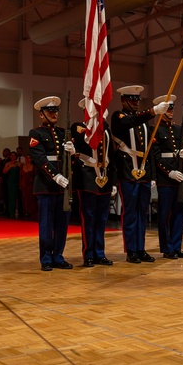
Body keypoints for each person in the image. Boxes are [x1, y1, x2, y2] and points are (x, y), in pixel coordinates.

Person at [111, 85, 169, 263]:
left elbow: (149, 150)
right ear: (123, 100)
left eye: (137, 100)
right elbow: (129, 122)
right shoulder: (118, 117)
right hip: (128, 171)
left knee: (142, 213)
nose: (135, 104)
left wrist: (151, 175)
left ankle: (141, 248)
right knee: (130, 213)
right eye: (132, 100)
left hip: (143, 173)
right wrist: (152, 111)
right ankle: (131, 250)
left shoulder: (143, 122)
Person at [29, 96, 73, 271]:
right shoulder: (36, 134)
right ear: (41, 114)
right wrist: (55, 176)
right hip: (46, 186)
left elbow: (70, 161)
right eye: (49, 111)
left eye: (55, 111)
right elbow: (39, 159)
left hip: (63, 188)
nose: (54, 114)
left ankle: (58, 256)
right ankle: (46, 258)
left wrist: (73, 151)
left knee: (62, 225)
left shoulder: (63, 133)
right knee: (47, 225)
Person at [70, 98, 115, 267]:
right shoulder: (79, 128)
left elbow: (112, 156)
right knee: (88, 217)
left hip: (105, 177)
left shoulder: (106, 131)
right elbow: (79, 141)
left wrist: (114, 182)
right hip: (87, 176)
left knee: (102, 218)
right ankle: (88, 254)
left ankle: (100, 253)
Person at [151, 96, 183, 257]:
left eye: (172, 108)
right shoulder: (156, 130)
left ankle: (176, 246)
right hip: (165, 178)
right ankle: (166, 248)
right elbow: (156, 157)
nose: (171, 111)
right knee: (164, 214)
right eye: (168, 108)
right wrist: (169, 172)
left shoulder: (179, 129)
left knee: (178, 213)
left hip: (179, 175)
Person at [2, 150, 21, 218]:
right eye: (11, 155)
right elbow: (4, 171)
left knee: (18, 197)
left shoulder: (19, 163)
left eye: (14, 155)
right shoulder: (8, 164)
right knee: (11, 197)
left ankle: (18, 210)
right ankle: (11, 212)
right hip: (10, 181)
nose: (13, 157)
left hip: (17, 181)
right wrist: (10, 167)